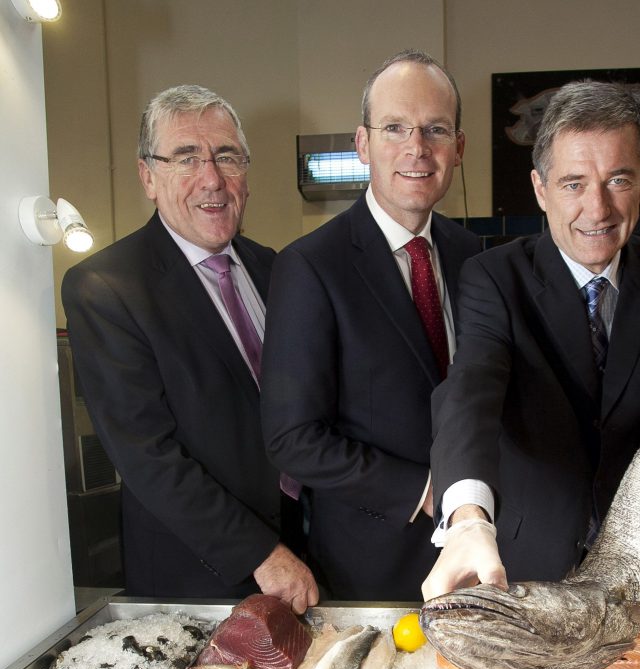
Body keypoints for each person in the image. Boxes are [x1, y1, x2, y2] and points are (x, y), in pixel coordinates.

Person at [423, 79, 640, 599]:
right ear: (541, 188)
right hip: (519, 558)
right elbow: (471, 392)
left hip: (633, 558)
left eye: (618, 180)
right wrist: (469, 519)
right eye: (573, 184)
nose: (598, 208)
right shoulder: (494, 277)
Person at [62, 84, 318, 609]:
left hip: (309, 548)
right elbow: (147, 456)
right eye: (186, 157)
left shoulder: (277, 268)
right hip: (197, 576)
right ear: (147, 176)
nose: (213, 179)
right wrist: (261, 554)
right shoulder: (105, 286)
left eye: (227, 156)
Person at [261, 50, 480, 601]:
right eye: (395, 128)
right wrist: (427, 490)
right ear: (362, 143)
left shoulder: (473, 256)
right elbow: (293, 438)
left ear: (458, 147)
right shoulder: (311, 265)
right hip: (370, 566)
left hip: (480, 555)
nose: (417, 148)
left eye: (435, 129)